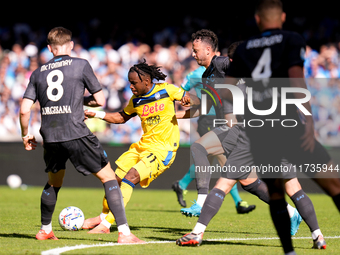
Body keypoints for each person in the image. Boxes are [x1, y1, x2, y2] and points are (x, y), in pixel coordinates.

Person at [175, 41, 326, 247]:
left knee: (223, 183)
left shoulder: (230, 74)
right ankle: (318, 236)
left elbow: (222, 108)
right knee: (290, 187)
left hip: (246, 135)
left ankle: (197, 230)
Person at [219, 0, 340, 253]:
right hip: (289, 125)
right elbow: (296, 80)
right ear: (283, 17)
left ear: (258, 20)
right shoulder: (291, 39)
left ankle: (289, 251)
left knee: (276, 194)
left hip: (261, 131)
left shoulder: (244, 49)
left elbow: (228, 91)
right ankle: (314, 235)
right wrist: (308, 120)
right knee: (332, 184)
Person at [19, 27, 143, 244]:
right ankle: (124, 233)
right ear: (71, 45)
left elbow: (24, 109)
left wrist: (25, 135)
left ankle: (45, 230)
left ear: (49, 48)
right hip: (75, 131)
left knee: (53, 182)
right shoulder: (80, 64)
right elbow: (101, 100)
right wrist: (78, 102)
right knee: (109, 178)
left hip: (50, 136)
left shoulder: (37, 73)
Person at [82, 60, 200, 233]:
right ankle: (102, 216)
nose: (130, 86)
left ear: (146, 81)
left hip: (162, 150)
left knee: (131, 177)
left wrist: (187, 105)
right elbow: (121, 117)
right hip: (141, 147)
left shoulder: (167, 90)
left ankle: (106, 225)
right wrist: (97, 114)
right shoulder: (136, 100)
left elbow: (199, 105)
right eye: (129, 82)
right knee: (114, 181)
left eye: (134, 82)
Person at [176, 29, 255, 218]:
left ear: (209, 49)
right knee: (251, 183)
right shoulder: (206, 77)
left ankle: (200, 202)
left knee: (199, 148)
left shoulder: (221, 62)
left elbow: (242, 64)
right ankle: (291, 212)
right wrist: (175, 115)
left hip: (243, 126)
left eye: (196, 50)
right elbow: (204, 108)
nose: (193, 54)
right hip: (232, 127)